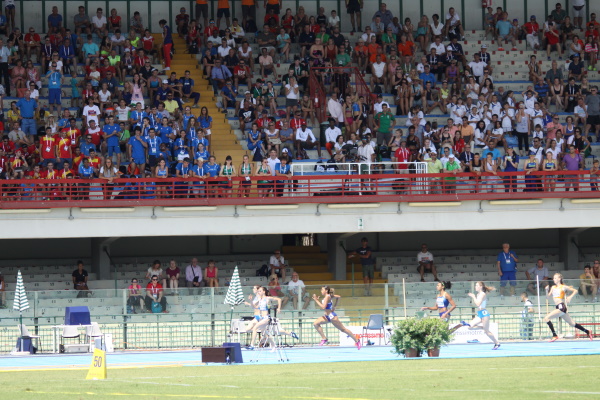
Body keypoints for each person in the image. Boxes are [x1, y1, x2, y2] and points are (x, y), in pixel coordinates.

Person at [544, 273, 592, 341]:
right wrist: (546, 290)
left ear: (559, 279)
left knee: (546, 318)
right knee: (572, 323)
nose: (553, 279)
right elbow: (547, 297)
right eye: (553, 278)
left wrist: (570, 297)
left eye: (555, 278)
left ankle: (554, 335)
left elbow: (575, 290)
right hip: (558, 307)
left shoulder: (563, 287)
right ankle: (587, 331)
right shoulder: (553, 287)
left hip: (561, 307)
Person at [460, 281, 501, 350]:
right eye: (475, 285)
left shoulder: (482, 294)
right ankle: (482, 327)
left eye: (476, 285)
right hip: (479, 314)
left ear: (481, 287)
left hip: (484, 314)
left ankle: (497, 343)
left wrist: (473, 297)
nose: (475, 287)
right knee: (469, 327)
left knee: (487, 332)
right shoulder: (478, 294)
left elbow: (478, 304)